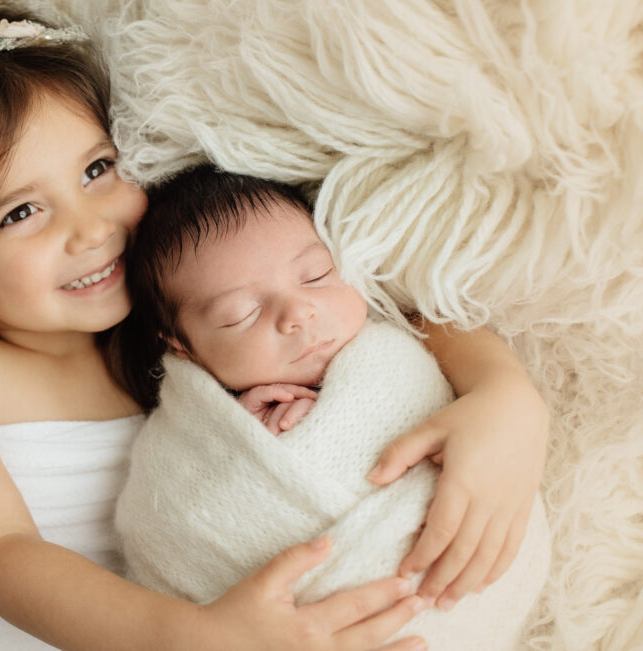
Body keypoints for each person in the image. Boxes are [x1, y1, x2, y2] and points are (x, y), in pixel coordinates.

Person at [0, 1, 548, 651]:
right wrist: (197, 636)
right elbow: (1, 550)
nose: (90, 228)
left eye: (96, 171)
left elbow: (385, 317)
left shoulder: (173, 327)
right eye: (21, 212)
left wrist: (506, 398)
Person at [112, 166, 551, 650]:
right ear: (183, 347)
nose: (298, 312)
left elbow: (452, 349)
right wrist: (243, 446)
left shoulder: (406, 343)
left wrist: (505, 394)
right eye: (242, 313)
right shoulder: (181, 449)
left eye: (316, 275)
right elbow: (169, 537)